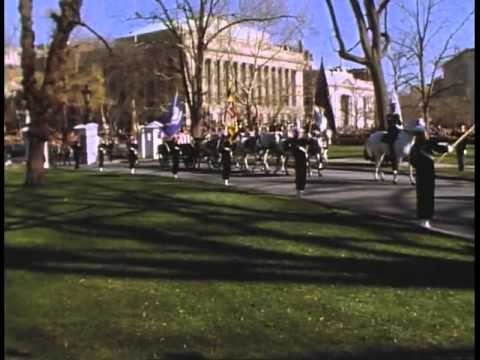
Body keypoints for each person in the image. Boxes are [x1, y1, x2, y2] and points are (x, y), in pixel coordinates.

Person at [409, 122, 452, 228]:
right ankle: (426, 218)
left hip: (419, 174)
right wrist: (448, 149)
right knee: (428, 197)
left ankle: (421, 217)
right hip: (428, 174)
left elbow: (412, 162)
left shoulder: (414, 147)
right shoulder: (428, 143)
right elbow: (438, 148)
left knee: (421, 197)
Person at [383, 102, 402, 171]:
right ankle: (390, 153)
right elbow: (389, 123)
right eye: (392, 108)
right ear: (390, 108)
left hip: (396, 130)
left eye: (394, 108)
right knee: (390, 141)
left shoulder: (397, 115)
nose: (393, 109)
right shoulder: (388, 115)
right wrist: (393, 121)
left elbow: (399, 123)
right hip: (391, 130)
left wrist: (399, 121)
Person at [292, 128, 309, 198]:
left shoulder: (303, 140)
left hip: (304, 159)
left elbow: (310, 144)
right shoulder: (294, 141)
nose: (299, 134)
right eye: (297, 133)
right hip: (298, 160)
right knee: (299, 174)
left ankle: (301, 189)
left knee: (303, 175)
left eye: (299, 133)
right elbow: (292, 149)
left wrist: (309, 137)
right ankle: (298, 189)